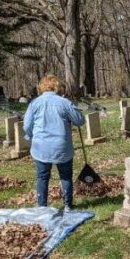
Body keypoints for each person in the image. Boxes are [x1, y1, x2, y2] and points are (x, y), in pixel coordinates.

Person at [23, 75, 86, 211]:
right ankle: (68, 205)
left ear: (42, 87)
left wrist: (31, 136)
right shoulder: (64, 102)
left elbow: (27, 126)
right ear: (58, 87)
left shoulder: (35, 103)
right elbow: (80, 120)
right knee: (65, 176)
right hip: (61, 146)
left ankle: (42, 207)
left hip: (41, 147)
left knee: (42, 177)